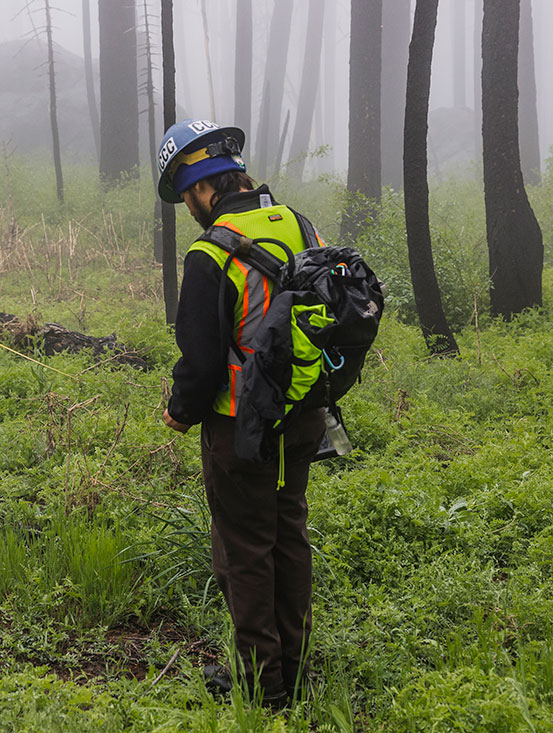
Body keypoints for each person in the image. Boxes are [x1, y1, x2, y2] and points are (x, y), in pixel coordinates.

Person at [157, 119, 326, 707]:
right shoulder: (299, 225)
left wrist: (179, 410)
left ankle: (262, 683)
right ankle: (295, 668)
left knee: (244, 548)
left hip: (240, 428)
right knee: (288, 535)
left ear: (202, 187)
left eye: (185, 196)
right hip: (305, 416)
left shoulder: (209, 254)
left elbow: (200, 362)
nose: (189, 209)